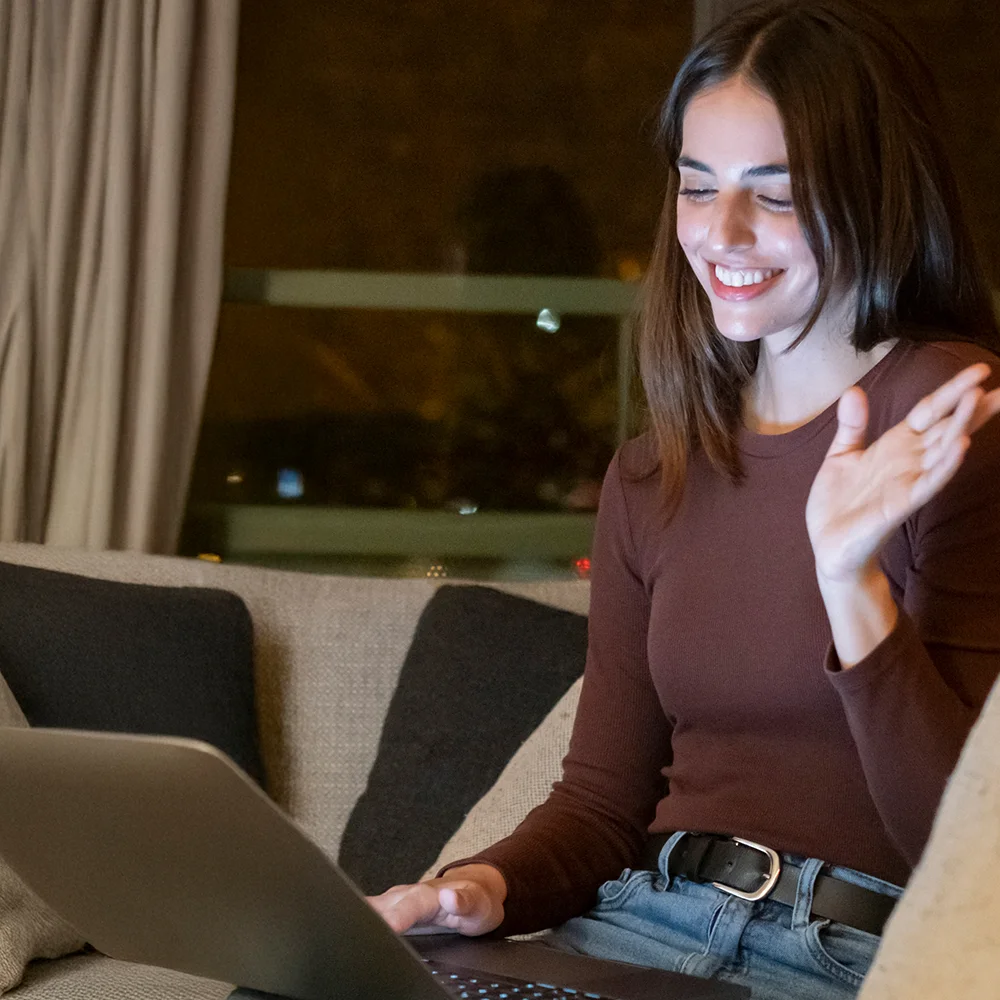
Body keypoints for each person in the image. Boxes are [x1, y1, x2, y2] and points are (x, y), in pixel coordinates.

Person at [367, 2, 1000, 997]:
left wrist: (849, 577)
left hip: (853, 956)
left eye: (776, 195)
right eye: (696, 187)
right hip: (633, 927)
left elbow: (971, 848)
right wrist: (483, 885)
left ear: (873, 192)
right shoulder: (652, 474)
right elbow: (601, 804)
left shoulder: (952, 420)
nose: (722, 232)